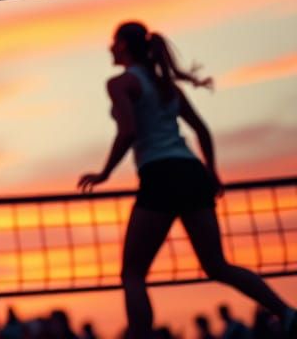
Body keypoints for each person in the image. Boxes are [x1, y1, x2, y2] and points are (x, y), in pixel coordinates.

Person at [77, 22, 297, 339]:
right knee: (217, 265)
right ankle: (287, 313)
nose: (110, 48)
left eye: (113, 42)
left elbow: (128, 132)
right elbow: (202, 130)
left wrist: (104, 173)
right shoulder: (167, 87)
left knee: (133, 273)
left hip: (160, 174)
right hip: (191, 173)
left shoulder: (121, 83)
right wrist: (213, 172)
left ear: (123, 45)